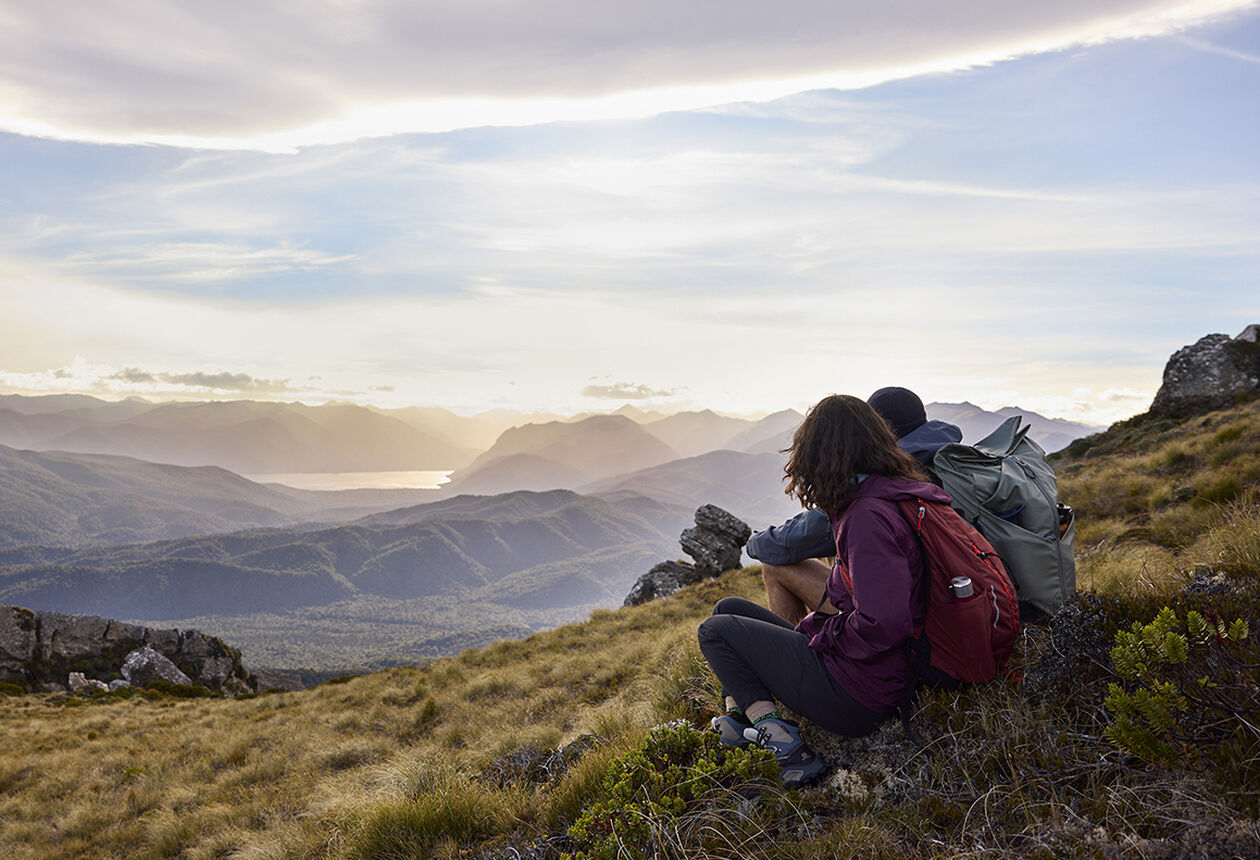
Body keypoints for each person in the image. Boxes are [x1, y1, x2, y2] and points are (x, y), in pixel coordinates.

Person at [696, 394, 958, 786]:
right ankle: (740, 719)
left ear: (825, 454)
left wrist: (821, 637)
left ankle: (785, 747)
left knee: (714, 633)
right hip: (872, 675)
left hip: (862, 696)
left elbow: (885, 624)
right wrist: (818, 630)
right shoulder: (886, 493)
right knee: (727, 608)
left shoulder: (867, 517)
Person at [747, 387, 961, 625]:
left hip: (918, 613)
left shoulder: (875, 489)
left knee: (773, 566)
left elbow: (798, 537)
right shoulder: (949, 460)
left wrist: (753, 543)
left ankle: (796, 655)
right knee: (834, 549)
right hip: (957, 595)